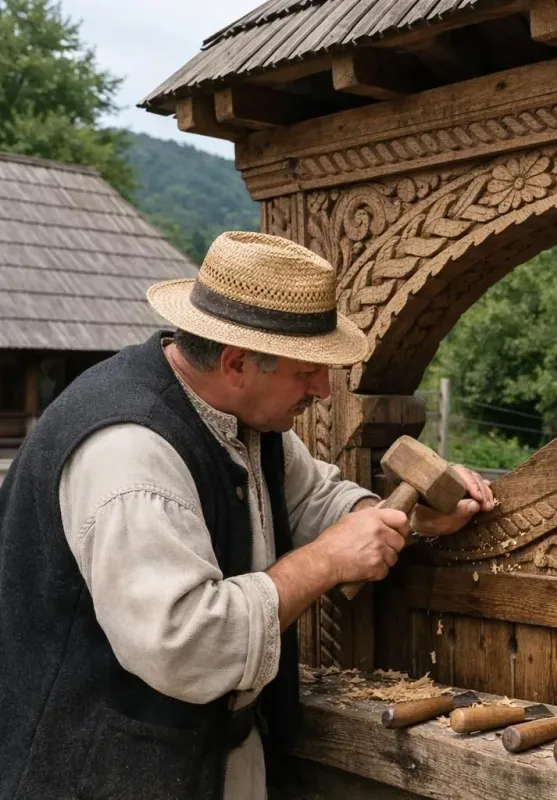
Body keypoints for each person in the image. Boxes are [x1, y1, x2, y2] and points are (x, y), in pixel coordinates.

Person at [0, 231, 494, 800]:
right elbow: (186, 644)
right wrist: (328, 560)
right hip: (98, 773)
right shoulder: (129, 455)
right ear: (236, 363)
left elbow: (313, 500)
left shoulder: (244, 419)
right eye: (307, 370)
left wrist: (400, 520)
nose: (324, 390)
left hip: (205, 759)